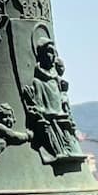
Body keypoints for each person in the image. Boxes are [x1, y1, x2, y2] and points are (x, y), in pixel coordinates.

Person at [21, 29, 85, 166]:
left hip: (62, 120)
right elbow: (39, 104)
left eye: (53, 53)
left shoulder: (56, 80)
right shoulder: (38, 82)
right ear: (42, 55)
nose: (52, 56)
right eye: (48, 52)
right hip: (50, 120)